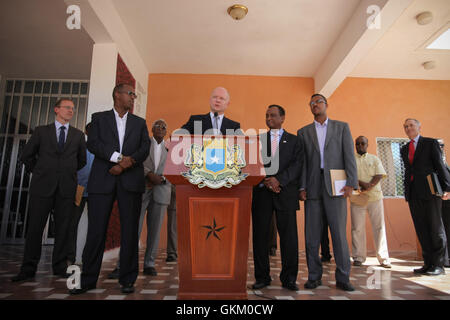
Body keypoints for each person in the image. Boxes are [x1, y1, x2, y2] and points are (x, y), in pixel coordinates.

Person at [69, 83, 150, 294]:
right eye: (130, 94)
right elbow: (93, 144)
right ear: (117, 94)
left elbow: (144, 148)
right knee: (96, 231)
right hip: (102, 181)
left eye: (134, 95)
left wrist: (126, 163)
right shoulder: (99, 118)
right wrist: (118, 158)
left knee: (130, 232)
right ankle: (86, 280)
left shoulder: (139, 123)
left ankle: (128, 280)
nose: (133, 98)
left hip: (130, 181)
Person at [12, 98, 86, 282]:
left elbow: (81, 160)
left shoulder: (78, 135)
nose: (71, 111)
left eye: (73, 109)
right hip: (42, 187)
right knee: (35, 228)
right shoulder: (41, 131)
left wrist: (66, 173)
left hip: (66, 189)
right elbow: (26, 156)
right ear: (56, 109)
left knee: (63, 229)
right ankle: (28, 269)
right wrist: (39, 171)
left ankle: (60, 266)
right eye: (67, 107)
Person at [298, 93, 357, 292]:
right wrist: (302, 186)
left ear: (326, 105)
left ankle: (343, 277)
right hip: (313, 186)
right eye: (312, 103)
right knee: (311, 236)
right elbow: (303, 162)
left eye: (318, 102)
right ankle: (314, 276)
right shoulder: (303, 132)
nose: (315, 105)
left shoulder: (341, 127)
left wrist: (351, 182)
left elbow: (349, 155)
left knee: (339, 234)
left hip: (337, 186)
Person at [108, 119, 177, 279]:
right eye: (157, 126)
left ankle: (149, 264)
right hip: (142, 189)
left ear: (166, 131)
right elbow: (136, 161)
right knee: (133, 228)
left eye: (163, 127)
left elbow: (175, 169)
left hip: (161, 192)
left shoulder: (171, 149)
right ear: (151, 130)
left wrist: (162, 179)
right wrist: (148, 174)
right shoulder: (143, 144)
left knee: (155, 230)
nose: (160, 128)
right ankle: (122, 264)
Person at [251, 104, 302, 291]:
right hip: (262, 193)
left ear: (283, 118)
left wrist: (279, 180)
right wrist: (267, 180)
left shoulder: (295, 141)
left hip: (285, 193)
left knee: (289, 238)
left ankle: (289, 278)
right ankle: (262, 277)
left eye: (273, 115)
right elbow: (253, 164)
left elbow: (297, 165)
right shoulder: (257, 140)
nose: (269, 118)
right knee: (260, 237)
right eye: (266, 115)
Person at [400, 118, 449, 276]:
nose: (408, 128)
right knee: (421, 229)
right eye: (406, 126)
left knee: (435, 228)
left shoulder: (430, 143)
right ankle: (428, 263)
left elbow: (439, 166)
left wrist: (447, 187)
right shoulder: (404, 148)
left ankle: (439, 265)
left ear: (419, 127)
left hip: (431, 191)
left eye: (411, 125)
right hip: (413, 193)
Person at [350, 136, 391, 268]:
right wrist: (363, 184)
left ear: (367, 145)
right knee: (357, 228)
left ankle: (383, 258)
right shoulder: (350, 159)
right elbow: (350, 176)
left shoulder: (374, 158)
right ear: (355, 145)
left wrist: (370, 185)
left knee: (379, 227)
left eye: (363, 143)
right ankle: (358, 257)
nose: (360, 146)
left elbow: (379, 174)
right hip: (357, 198)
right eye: (358, 144)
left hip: (375, 197)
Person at [67, 123, 95, 266]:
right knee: (72, 224)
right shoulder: (79, 145)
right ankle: (70, 257)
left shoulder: (101, 148)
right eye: (91, 129)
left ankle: (88, 258)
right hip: (78, 188)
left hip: (96, 191)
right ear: (86, 131)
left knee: (95, 226)